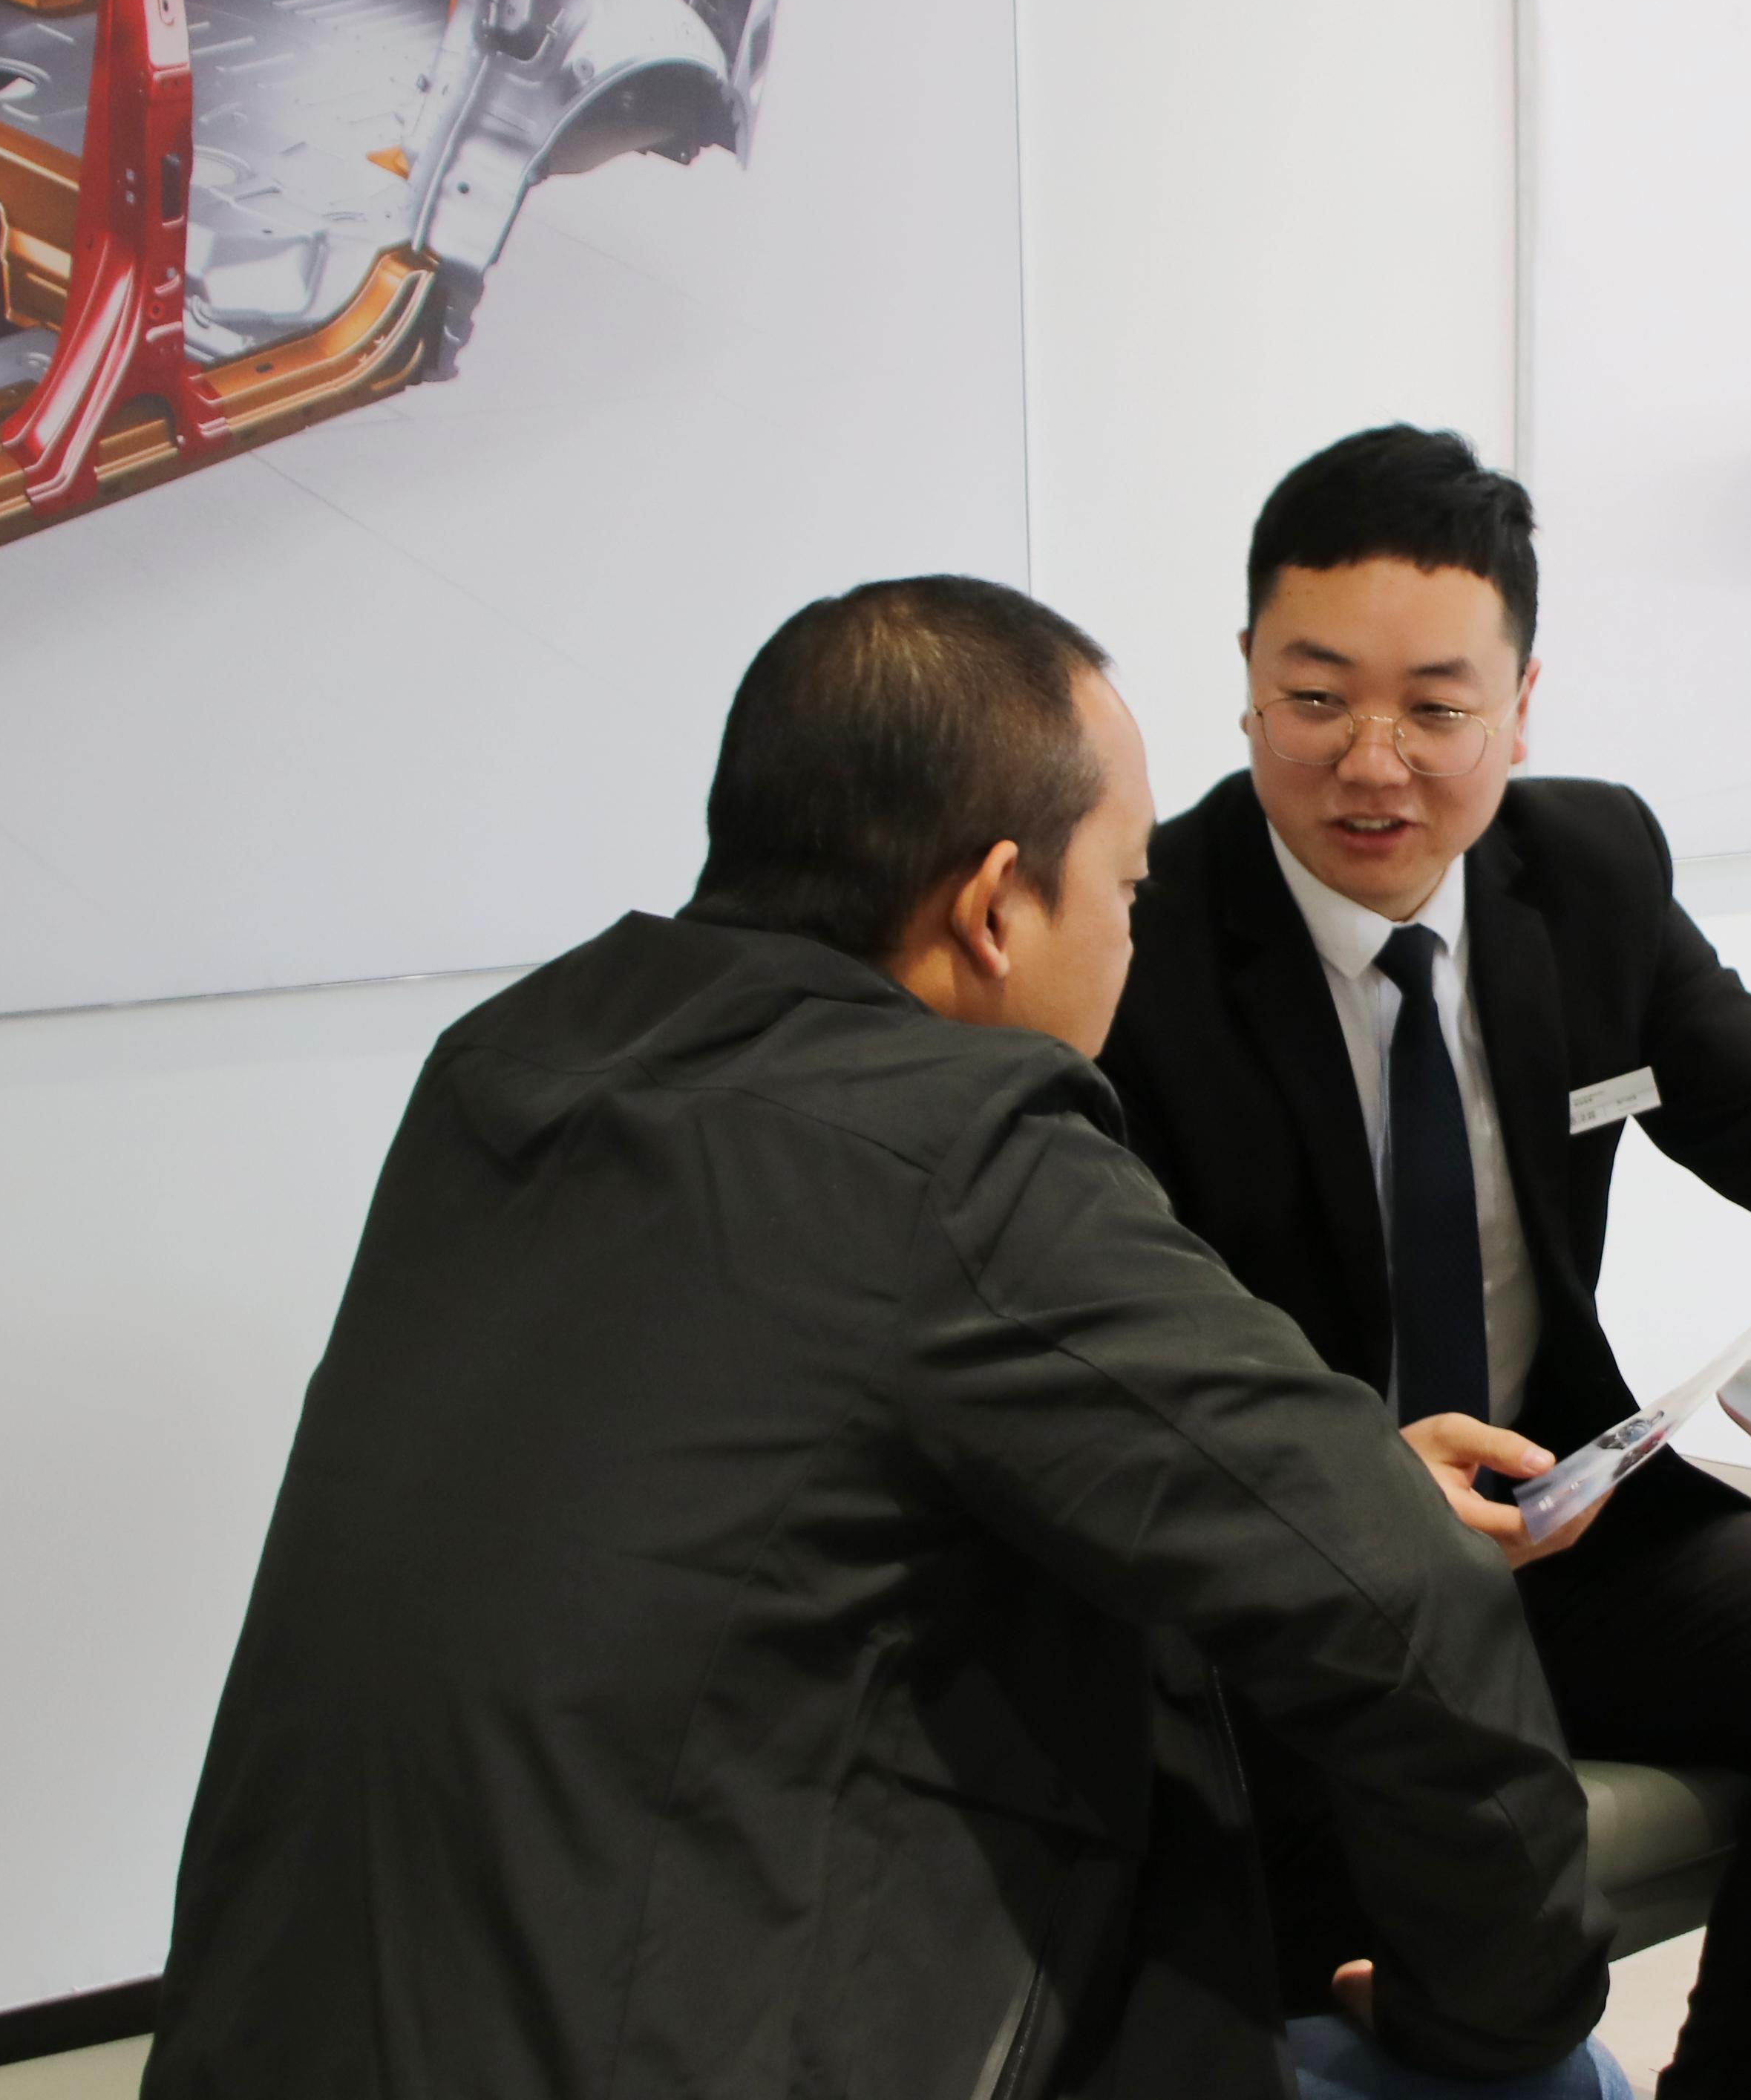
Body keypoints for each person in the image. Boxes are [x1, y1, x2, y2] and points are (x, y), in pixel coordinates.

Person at [145, 578, 1617, 2100]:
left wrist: (1288, 1491)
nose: (1133, 936)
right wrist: (1485, 2028)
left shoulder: (508, 1068)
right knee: (1557, 2084)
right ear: (993, 910)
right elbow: (1405, 1600)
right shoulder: (962, 1147)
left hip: (292, 2040)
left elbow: (765, 1515)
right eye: (1125, 893)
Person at [1098, 427, 1751, 2100]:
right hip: (1288, 1586)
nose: (1375, 765)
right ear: (1244, 684)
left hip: (1557, 1530)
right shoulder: (1137, 943)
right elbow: (1111, 1359)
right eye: (1317, 700)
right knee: (1320, 1869)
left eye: (1437, 710)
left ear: (1521, 706)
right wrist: (1343, 1487)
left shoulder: (1584, 873)